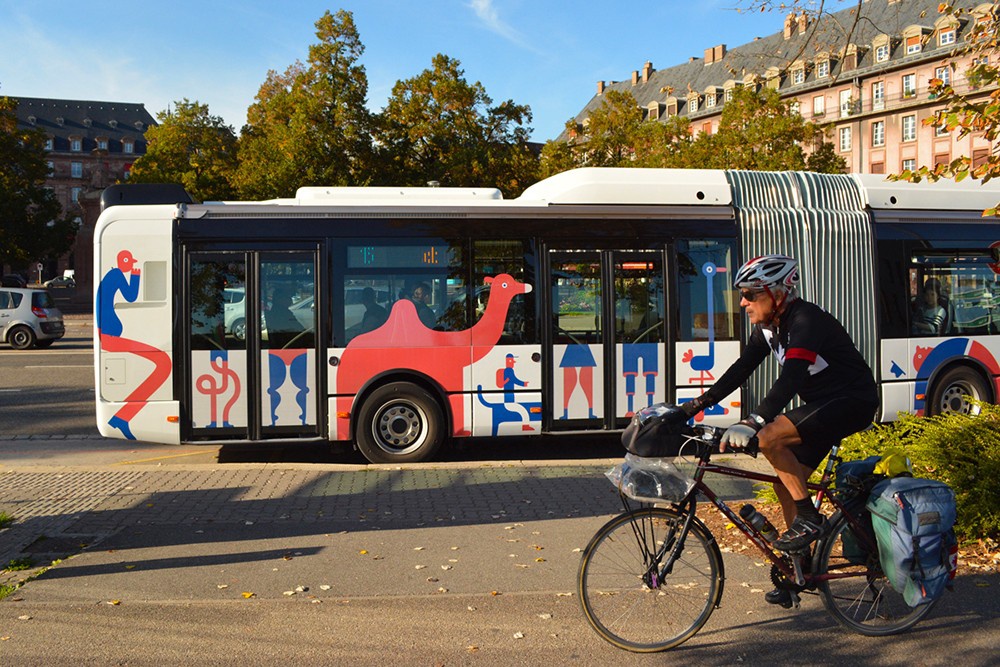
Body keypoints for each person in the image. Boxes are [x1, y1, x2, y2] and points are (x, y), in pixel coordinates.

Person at [680, 255, 878, 606]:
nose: (743, 302)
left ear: (777, 293)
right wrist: (693, 406)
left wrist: (756, 420)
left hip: (851, 401)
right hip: (823, 406)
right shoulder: (769, 329)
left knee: (770, 438)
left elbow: (792, 377)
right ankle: (799, 570)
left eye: (750, 294)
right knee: (789, 484)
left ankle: (809, 520)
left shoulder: (806, 321)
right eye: (742, 294)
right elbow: (741, 369)